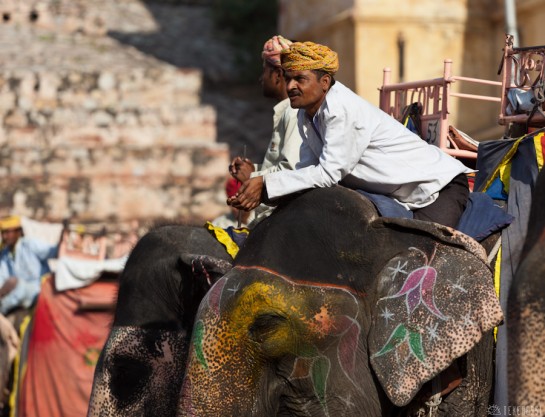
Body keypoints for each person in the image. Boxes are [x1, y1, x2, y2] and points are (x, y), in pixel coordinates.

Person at [228, 41, 474, 228]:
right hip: (401, 198)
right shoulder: (307, 116)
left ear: (324, 82)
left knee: (417, 262)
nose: (291, 86)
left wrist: (266, 184)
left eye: (300, 79)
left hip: (438, 189)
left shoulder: (341, 110)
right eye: (289, 78)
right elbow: (305, 170)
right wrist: (259, 191)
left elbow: (328, 174)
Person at [228, 35, 302, 226]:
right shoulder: (284, 113)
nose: (261, 78)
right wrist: (254, 170)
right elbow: (281, 166)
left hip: (281, 219)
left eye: (265, 71)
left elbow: (291, 171)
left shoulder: (294, 114)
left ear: (278, 74)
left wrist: (252, 178)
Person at [0, 216, 59, 318]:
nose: (4, 237)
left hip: (38, 288)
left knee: (18, 286)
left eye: (7, 233)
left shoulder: (30, 244)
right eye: (3, 233)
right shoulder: (5, 254)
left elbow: (50, 252)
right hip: (16, 290)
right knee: (12, 283)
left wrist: (64, 242)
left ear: (18, 232)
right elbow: (2, 277)